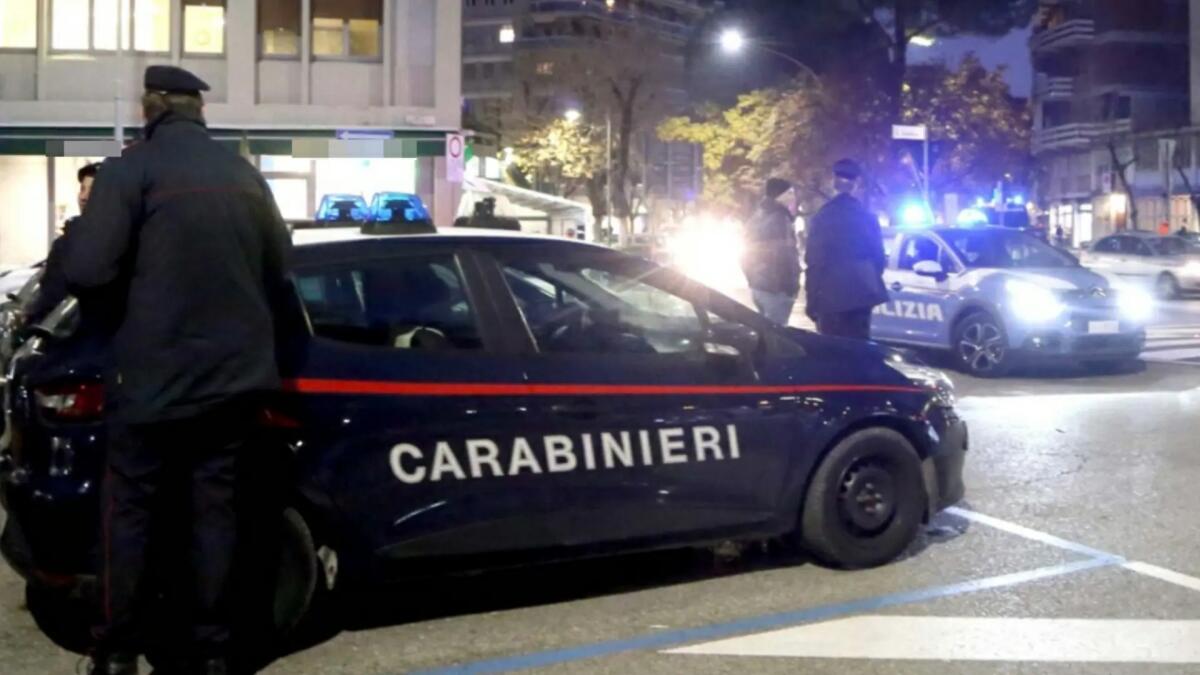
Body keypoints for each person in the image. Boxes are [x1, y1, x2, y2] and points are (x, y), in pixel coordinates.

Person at [63, 65, 292, 675]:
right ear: (198, 111)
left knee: (130, 511)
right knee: (214, 510)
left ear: (151, 107)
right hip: (235, 379)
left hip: (152, 377)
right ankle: (213, 649)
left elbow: (87, 269)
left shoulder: (130, 171)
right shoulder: (244, 175)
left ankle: (116, 651)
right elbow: (280, 268)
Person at [805, 159, 889, 339]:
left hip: (830, 297)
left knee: (833, 353)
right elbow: (879, 259)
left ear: (833, 181)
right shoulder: (868, 217)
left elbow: (814, 262)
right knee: (860, 351)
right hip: (862, 295)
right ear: (856, 183)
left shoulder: (823, 217)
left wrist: (812, 301)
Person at [24, 162, 101, 323]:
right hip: (57, 334)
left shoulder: (119, 243)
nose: (83, 197)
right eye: (82, 189)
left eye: (92, 190)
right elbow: (49, 293)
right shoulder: (63, 243)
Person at [741, 178, 802, 324]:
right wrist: (790, 287)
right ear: (779, 195)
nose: (793, 197)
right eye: (790, 193)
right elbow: (786, 256)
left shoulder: (757, 216)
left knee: (767, 334)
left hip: (760, 287)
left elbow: (744, 254)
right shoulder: (780, 218)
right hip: (776, 290)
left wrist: (752, 279)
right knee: (778, 337)